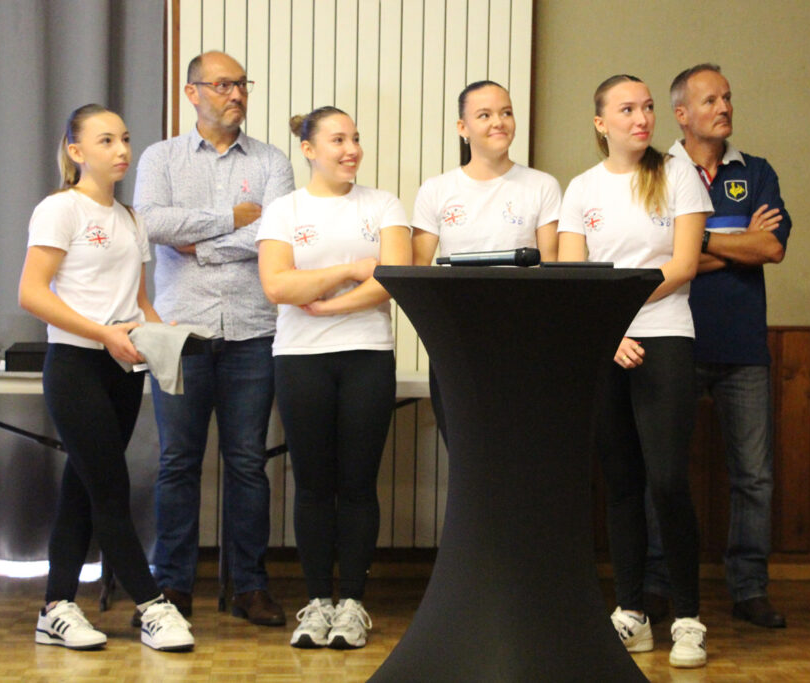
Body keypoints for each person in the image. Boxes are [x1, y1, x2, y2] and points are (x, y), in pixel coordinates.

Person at [19, 104, 194, 652]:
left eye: (124, 139)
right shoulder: (59, 210)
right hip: (76, 366)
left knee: (83, 488)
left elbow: (140, 302)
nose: (122, 151)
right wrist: (101, 332)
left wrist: (168, 339)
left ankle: (55, 607)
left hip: (123, 367)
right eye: (105, 141)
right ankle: (152, 604)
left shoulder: (129, 218)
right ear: (76, 152)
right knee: (110, 490)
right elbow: (32, 294)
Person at [133, 50, 295, 626]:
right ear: (192, 92)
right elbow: (150, 222)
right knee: (178, 460)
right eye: (223, 84)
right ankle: (171, 589)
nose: (236, 93)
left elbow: (274, 236)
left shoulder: (273, 160)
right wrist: (233, 215)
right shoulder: (162, 157)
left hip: (254, 329)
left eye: (241, 84)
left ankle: (249, 587)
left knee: (248, 463)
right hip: (182, 331)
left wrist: (198, 239)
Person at [558, 74, 713, 668]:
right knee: (620, 484)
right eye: (627, 109)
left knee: (668, 480)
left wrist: (618, 311)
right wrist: (608, 331)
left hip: (665, 337)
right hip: (606, 346)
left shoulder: (675, 175)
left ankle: (689, 618)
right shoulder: (582, 189)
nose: (641, 117)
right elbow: (575, 278)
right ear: (601, 123)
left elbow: (683, 264)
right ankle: (631, 613)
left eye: (647, 107)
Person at [642, 64, 790, 629]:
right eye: (710, 100)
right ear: (682, 114)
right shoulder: (655, 174)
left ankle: (749, 589)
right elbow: (657, 254)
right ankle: (658, 584)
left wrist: (697, 239)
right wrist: (734, 240)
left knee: (754, 475)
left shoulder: (756, 172)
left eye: (727, 97)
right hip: (671, 340)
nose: (724, 107)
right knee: (665, 470)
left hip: (743, 348)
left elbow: (772, 249)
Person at [257, 107, 411, 649]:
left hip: (368, 354)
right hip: (300, 358)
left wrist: (322, 300)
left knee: (357, 484)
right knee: (314, 484)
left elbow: (393, 280)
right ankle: (318, 601)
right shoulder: (284, 210)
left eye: (356, 139)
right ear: (309, 148)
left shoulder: (384, 204)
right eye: (338, 140)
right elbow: (277, 286)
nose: (351, 150)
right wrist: (348, 271)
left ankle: (352, 605)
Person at [411, 79, 561, 438]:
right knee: (463, 449)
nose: (499, 122)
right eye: (485, 115)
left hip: (522, 340)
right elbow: (416, 273)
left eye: (506, 112)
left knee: (518, 446)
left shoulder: (542, 185)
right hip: (454, 341)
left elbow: (553, 270)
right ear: (463, 128)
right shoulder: (437, 190)